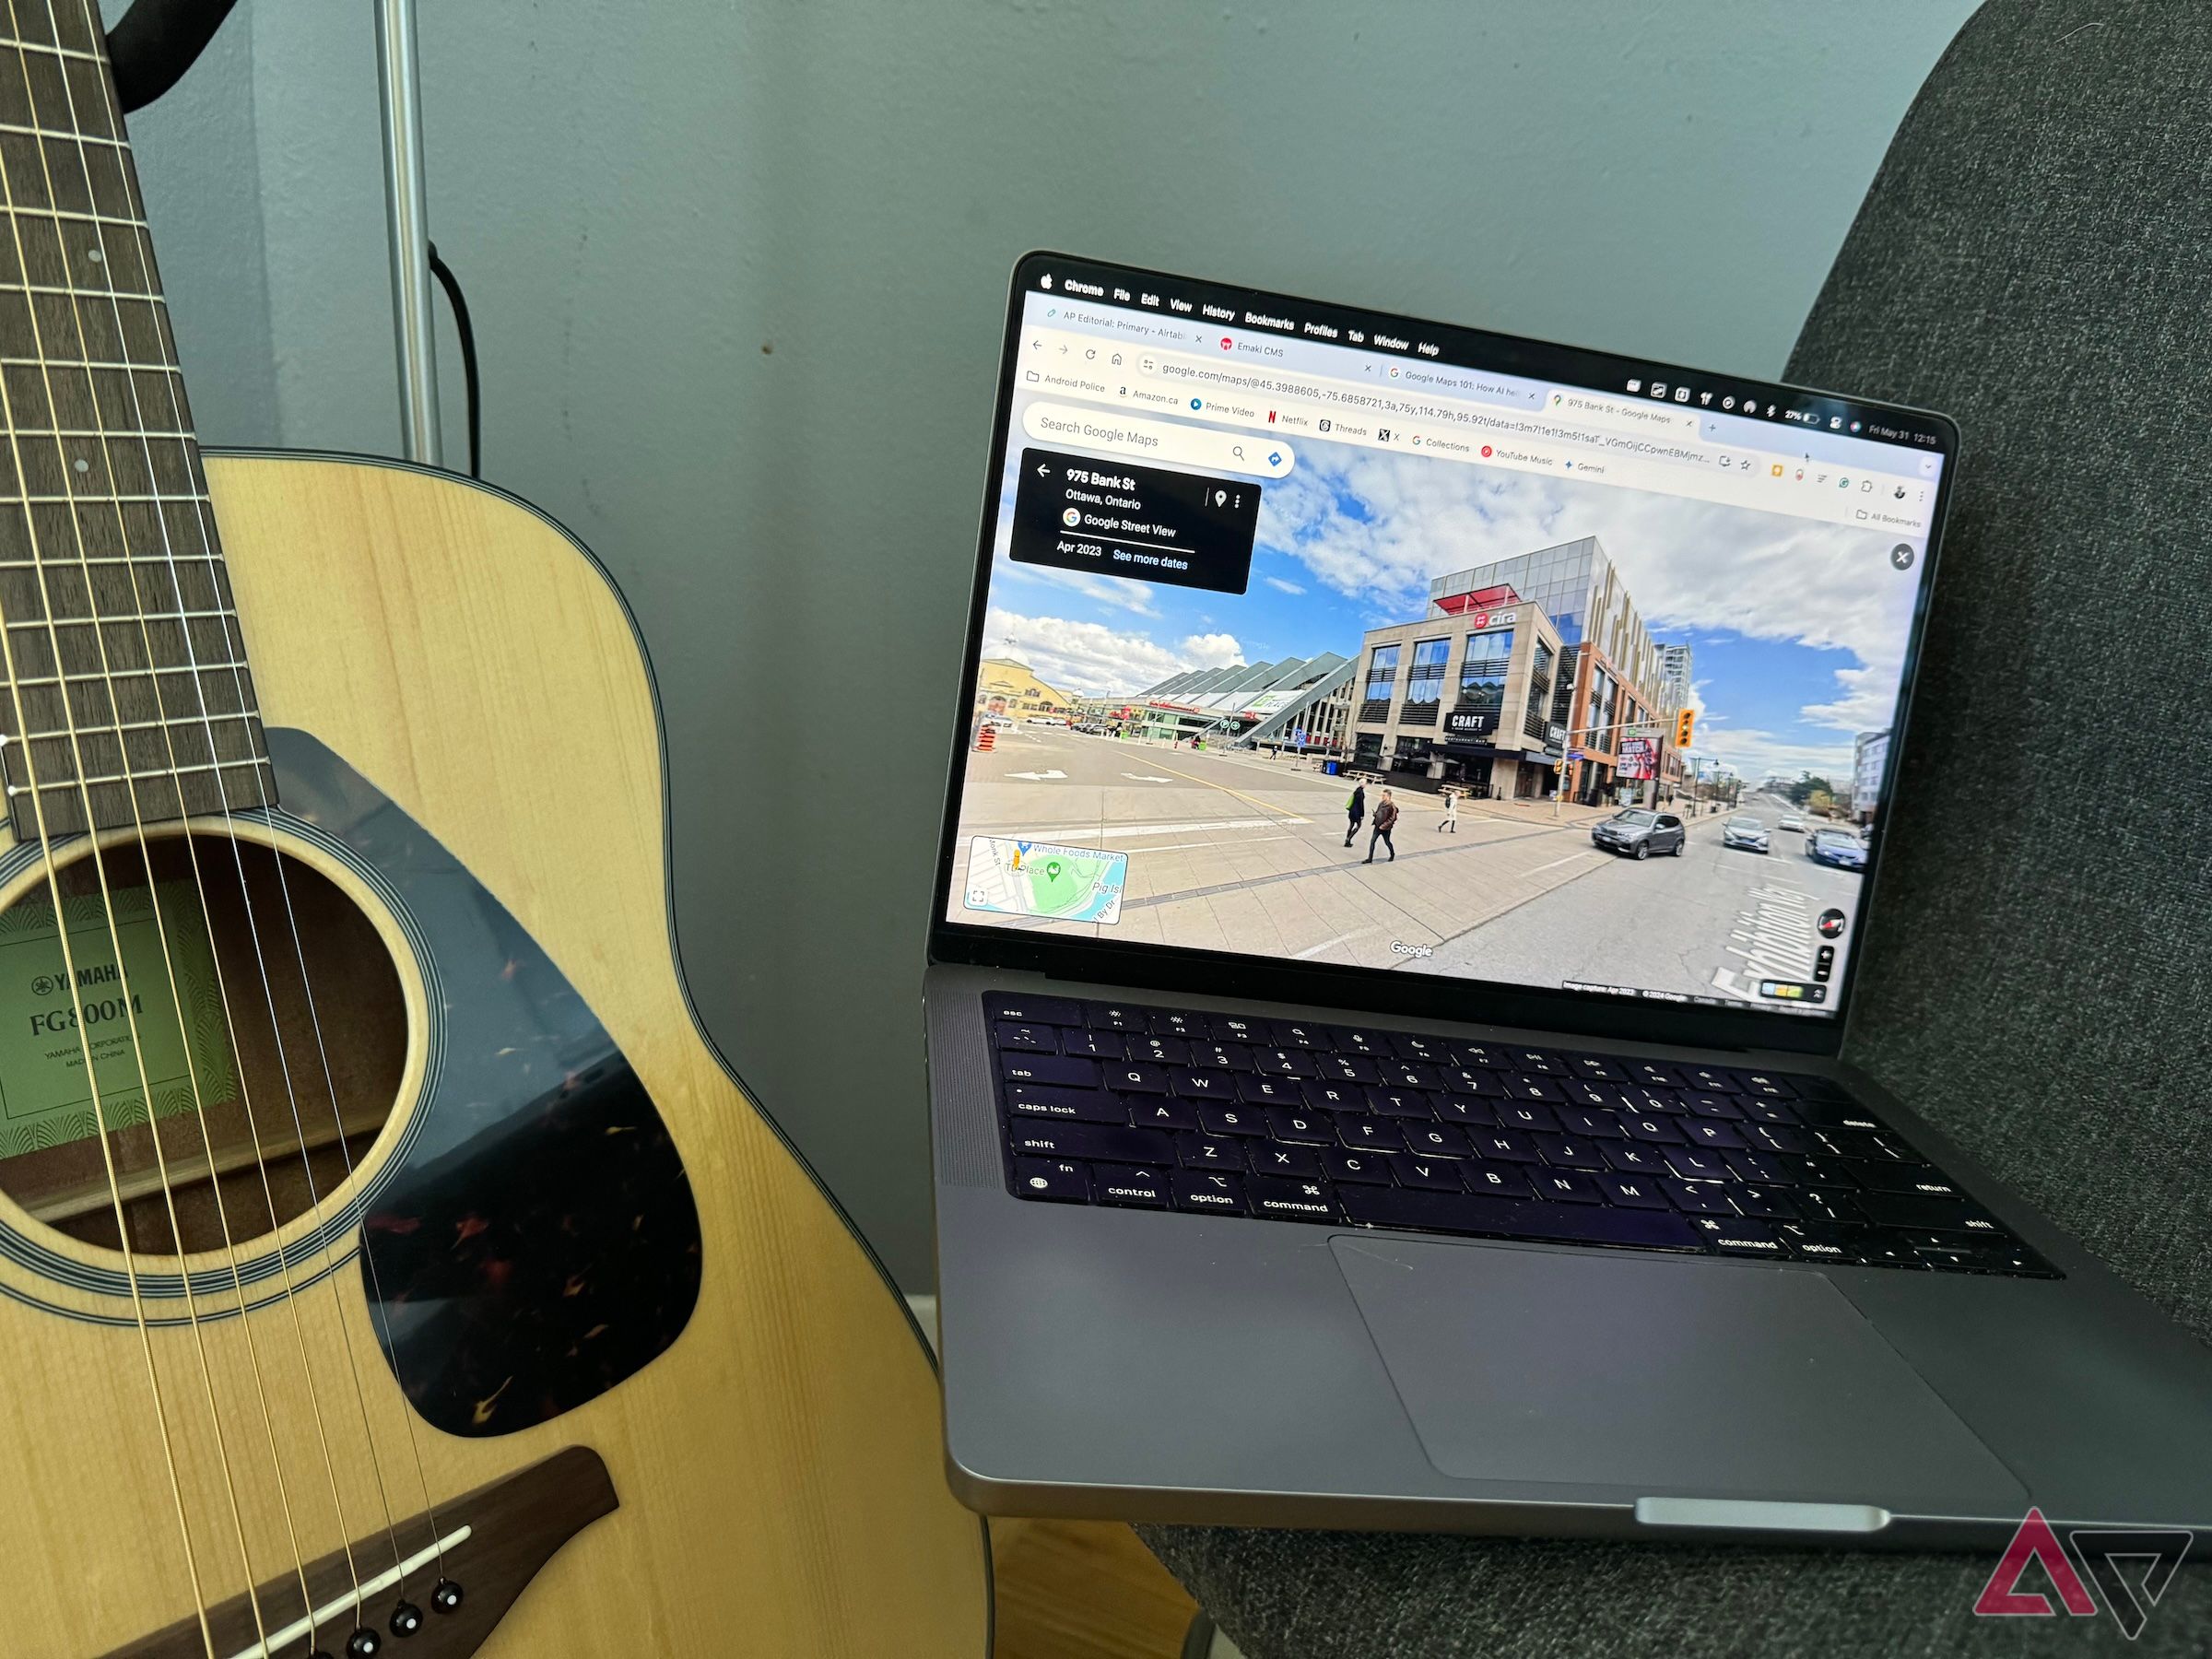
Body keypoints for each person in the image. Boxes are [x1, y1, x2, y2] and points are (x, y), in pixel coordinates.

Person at [1365, 790, 1399, 863]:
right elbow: (1379, 812)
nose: (1382, 797)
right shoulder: (1381, 803)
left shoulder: (1391, 806)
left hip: (1385, 829)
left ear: (1388, 797)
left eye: (1384, 796)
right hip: (1377, 826)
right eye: (1382, 795)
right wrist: (1375, 815)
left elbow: (1393, 818)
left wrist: (1384, 826)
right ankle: (1370, 858)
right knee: (1372, 841)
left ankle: (1392, 854)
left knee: (1387, 842)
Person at [1343, 782, 1366, 847]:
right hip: (1357, 812)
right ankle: (1349, 838)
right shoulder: (1361, 793)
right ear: (1363, 785)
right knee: (1358, 825)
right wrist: (1362, 814)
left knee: (1351, 825)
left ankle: (1347, 841)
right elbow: (1361, 805)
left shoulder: (1356, 791)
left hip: (1352, 811)